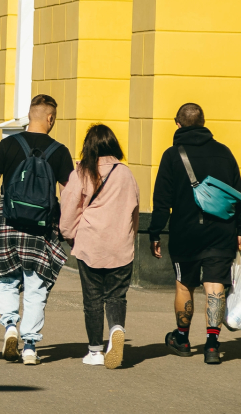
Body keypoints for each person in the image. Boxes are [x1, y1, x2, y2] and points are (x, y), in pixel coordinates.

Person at [0, 94, 75, 365]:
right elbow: (69, 194)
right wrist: (69, 228)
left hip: (9, 221)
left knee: (7, 279)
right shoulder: (60, 151)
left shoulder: (8, 144)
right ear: (50, 118)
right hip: (42, 226)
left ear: (29, 115)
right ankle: (29, 346)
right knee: (36, 284)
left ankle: (10, 327)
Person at [149, 103, 241, 365]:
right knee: (215, 285)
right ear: (203, 122)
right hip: (221, 231)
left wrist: (155, 232)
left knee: (185, 283)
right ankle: (212, 345)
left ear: (178, 123)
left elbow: (162, 200)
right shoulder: (224, 153)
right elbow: (239, 194)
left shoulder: (172, 155)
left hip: (185, 232)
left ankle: (182, 339)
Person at [60, 124, 140, 369]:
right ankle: (116, 328)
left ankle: (95, 351)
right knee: (117, 296)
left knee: (92, 298)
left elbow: (70, 207)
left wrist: (69, 234)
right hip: (120, 244)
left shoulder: (82, 173)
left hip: (90, 243)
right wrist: (130, 236)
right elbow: (135, 209)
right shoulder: (125, 173)